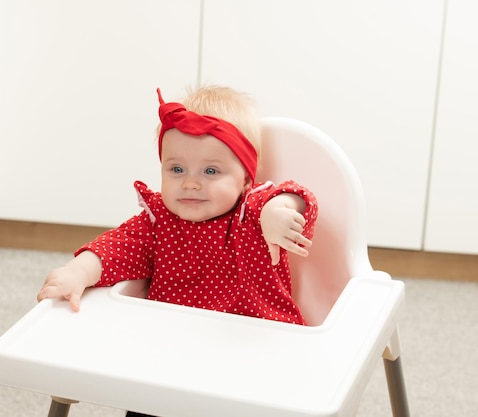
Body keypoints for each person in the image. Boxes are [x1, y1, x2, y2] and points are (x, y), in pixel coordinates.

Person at [38, 85, 318, 416]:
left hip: (253, 356)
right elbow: (116, 248)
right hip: (169, 355)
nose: (190, 183)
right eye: (176, 169)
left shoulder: (252, 213)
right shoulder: (159, 221)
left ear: (246, 179)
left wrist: (279, 212)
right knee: (146, 402)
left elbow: (298, 196)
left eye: (211, 171)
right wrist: (79, 271)